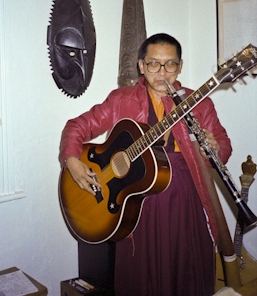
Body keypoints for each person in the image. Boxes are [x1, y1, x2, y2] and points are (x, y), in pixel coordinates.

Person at [60, 33, 232, 296]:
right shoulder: (120, 100)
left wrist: (214, 149)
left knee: (187, 275)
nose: (162, 72)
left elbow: (223, 144)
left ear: (180, 66)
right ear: (141, 65)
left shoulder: (199, 103)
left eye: (170, 64)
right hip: (134, 205)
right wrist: (71, 160)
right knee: (142, 279)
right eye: (153, 63)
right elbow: (77, 126)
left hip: (186, 201)